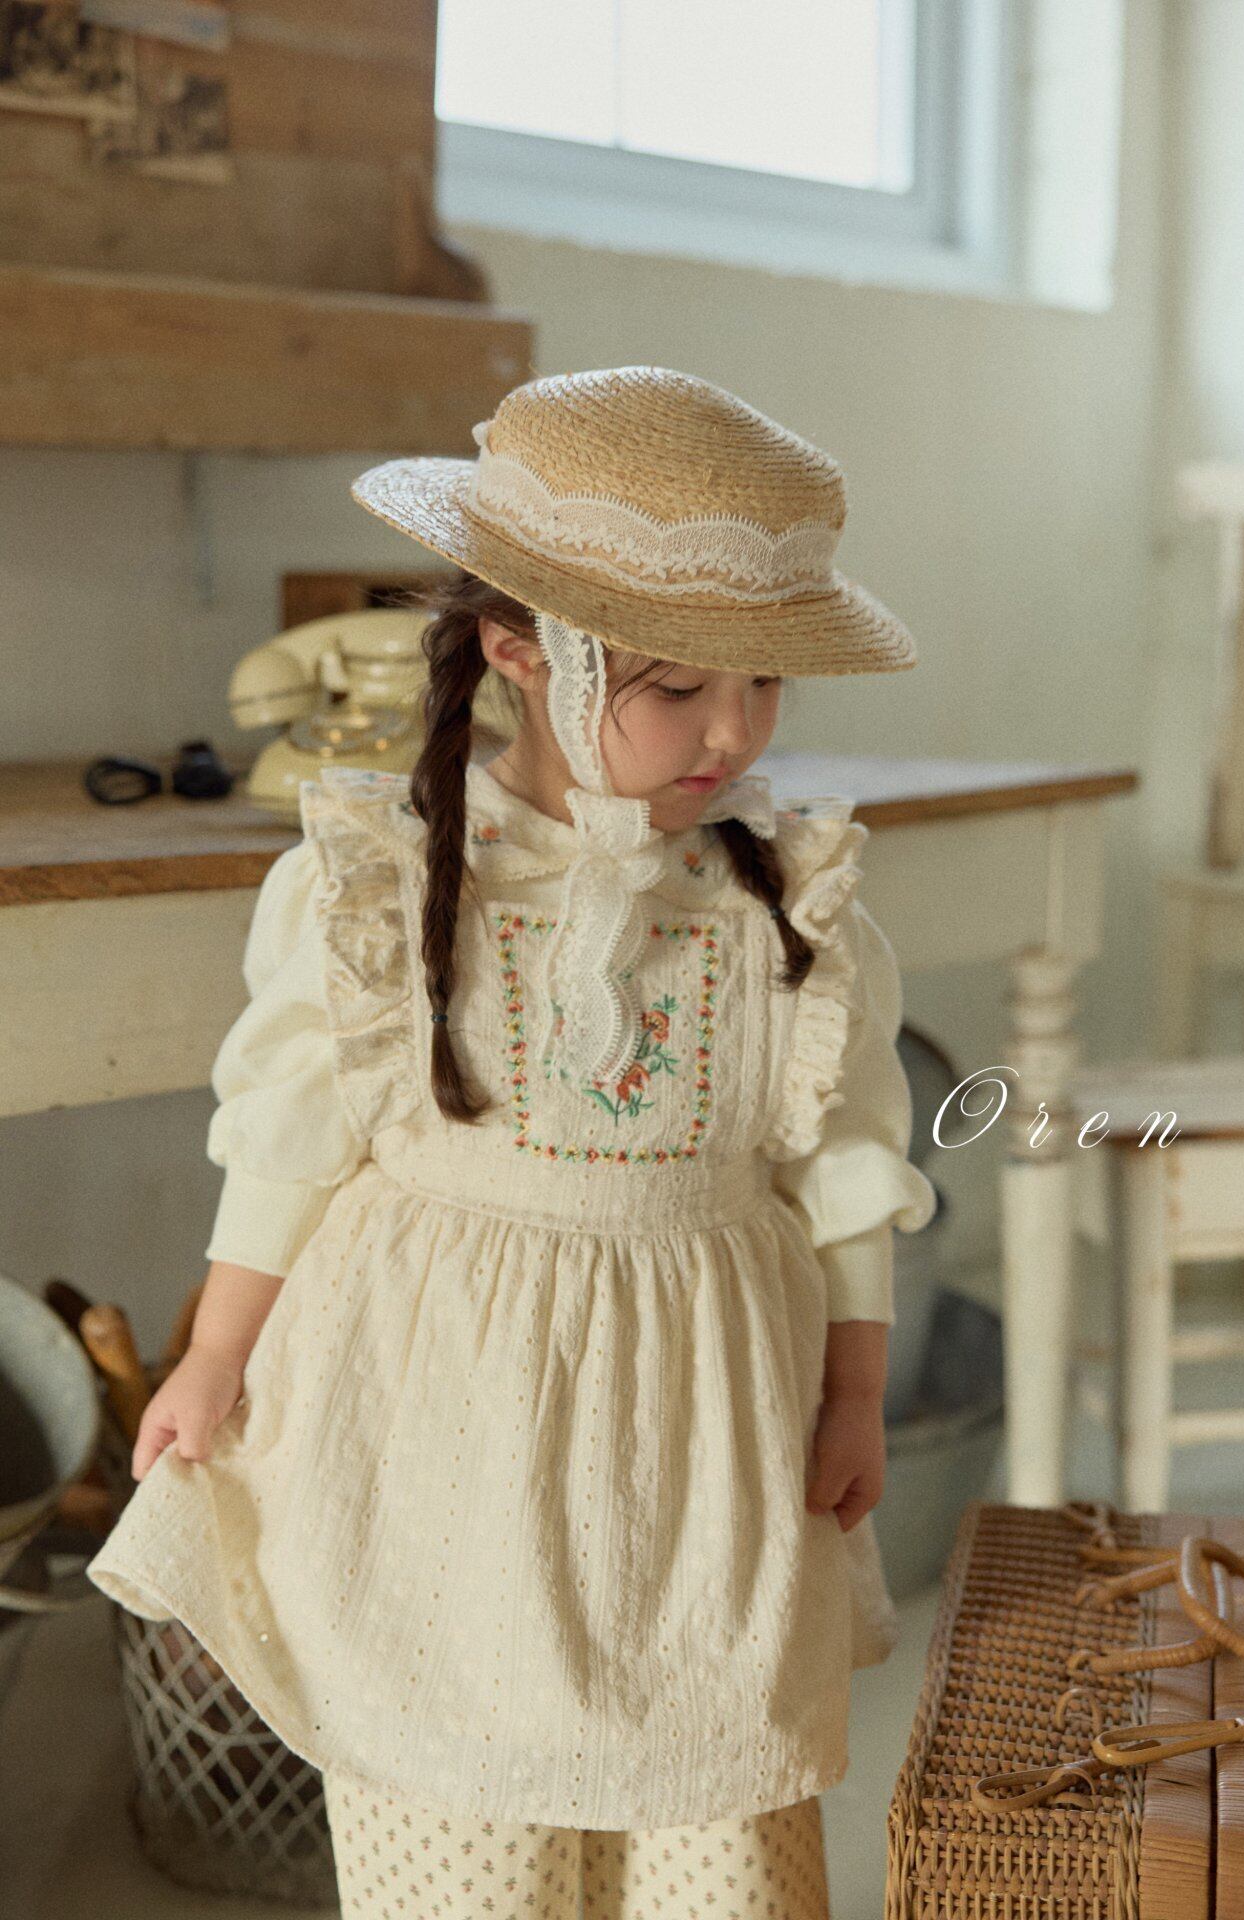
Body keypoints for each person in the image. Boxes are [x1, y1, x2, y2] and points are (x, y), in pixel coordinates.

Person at [88, 366, 938, 1919]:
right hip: (441, 1432)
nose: (732, 731)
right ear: (519, 648)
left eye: (764, 684)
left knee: (721, 1832)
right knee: (463, 1821)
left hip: (707, 1455)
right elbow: (290, 1137)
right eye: (677, 687)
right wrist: (214, 1356)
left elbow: (845, 1168)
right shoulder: (386, 885)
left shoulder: (788, 913)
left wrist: (857, 1393)